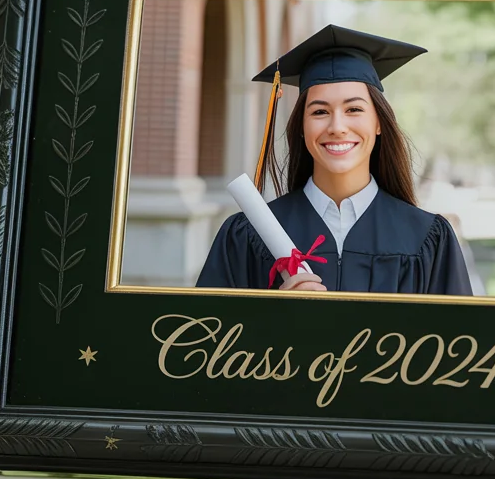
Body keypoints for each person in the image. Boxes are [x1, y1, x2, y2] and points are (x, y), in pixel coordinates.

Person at [195, 24, 473, 296]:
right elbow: (205, 326)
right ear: (301, 127)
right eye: (319, 112)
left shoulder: (427, 238)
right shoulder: (247, 237)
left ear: (379, 122)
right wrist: (277, 314)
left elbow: (457, 328)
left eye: (354, 109)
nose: (337, 127)